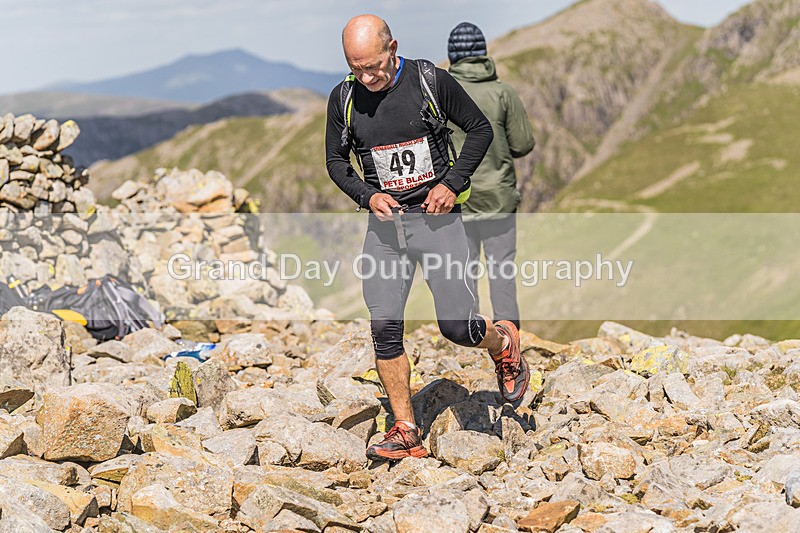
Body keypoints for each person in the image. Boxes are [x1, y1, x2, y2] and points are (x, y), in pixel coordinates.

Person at [325, 14, 531, 461]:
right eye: (355, 67)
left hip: (438, 222)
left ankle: (504, 345)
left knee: (458, 327)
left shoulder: (429, 81)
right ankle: (405, 428)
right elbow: (336, 162)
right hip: (385, 229)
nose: (366, 76)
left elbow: (480, 130)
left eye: (374, 65)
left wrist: (451, 183)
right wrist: (367, 194)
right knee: (384, 326)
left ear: (393, 47)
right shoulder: (343, 98)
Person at [448, 22, 536, 330]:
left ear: (452, 55)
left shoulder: (443, 92)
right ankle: (508, 340)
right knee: (501, 272)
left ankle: (470, 336)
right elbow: (523, 144)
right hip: (499, 198)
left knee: (464, 270)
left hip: (458, 198)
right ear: (483, 53)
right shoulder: (502, 93)